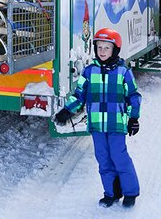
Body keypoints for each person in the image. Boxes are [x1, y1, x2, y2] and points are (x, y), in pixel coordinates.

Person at [55, 28, 141, 209]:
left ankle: (130, 192)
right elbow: (79, 96)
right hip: (96, 125)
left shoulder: (123, 72)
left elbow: (133, 96)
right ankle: (111, 193)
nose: (102, 51)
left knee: (119, 157)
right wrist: (66, 111)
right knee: (103, 158)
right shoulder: (89, 71)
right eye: (99, 47)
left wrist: (134, 118)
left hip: (116, 124)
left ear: (115, 50)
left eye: (106, 48)